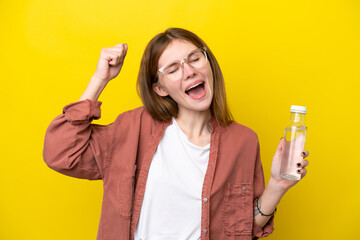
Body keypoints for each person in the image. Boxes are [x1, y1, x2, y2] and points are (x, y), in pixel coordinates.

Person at [43, 28, 309, 240]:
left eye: (194, 58)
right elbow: (61, 153)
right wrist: (99, 79)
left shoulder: (243, 141)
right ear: (160, 89)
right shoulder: (132, 128)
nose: (189, 70)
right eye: (173, 69)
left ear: (208, 64)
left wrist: (277, 185)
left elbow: (241, 231)